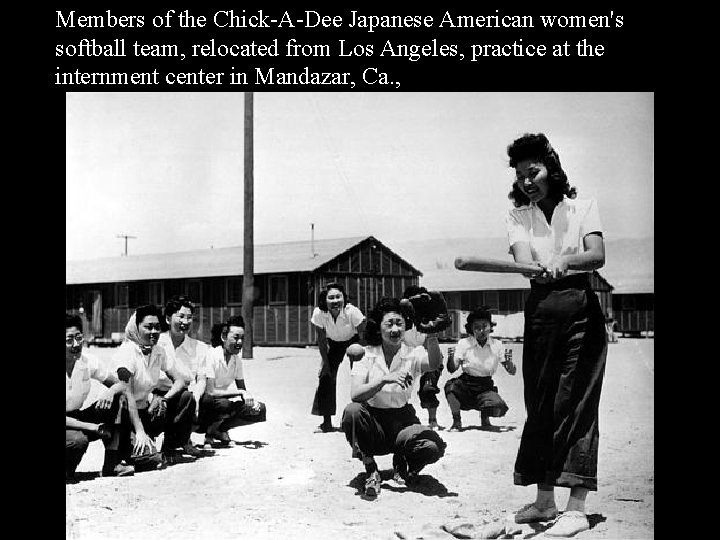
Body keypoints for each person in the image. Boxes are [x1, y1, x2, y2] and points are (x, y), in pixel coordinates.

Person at [504, 133, 608, 537]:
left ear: (552, 169)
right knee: (542, 403)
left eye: (534, 172)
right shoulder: (517, 216)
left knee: (577, 402)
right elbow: (523, 262)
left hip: (581, 308)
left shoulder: (582, 207)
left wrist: (565, 260)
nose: (528, 181)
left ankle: (577, 506)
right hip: (541, 312)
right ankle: (545, 501)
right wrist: (539, 267)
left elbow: (596, 255)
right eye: (521, 175)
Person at [341, 297, 447, 498]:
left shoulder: (413, 353)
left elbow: (433, 364)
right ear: (378, 327)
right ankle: (371, 468)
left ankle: (403, 464)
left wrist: (432, 335)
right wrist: (384, 380)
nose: (395, 329)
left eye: (400, 323)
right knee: (352, 412)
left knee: (432, 447)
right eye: (389, 324)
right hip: (374, 423)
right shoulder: (366, 354)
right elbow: (355, 395)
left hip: (402, 420)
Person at [113, 304, 196, 465]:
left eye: (157, 328)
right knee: (148, 459)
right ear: (136, 328)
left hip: (146, 411)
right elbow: (127, 394)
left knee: (186, 397)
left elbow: (180, 380)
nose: (154, 332)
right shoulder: (127, 352)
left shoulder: (158, 351)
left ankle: (169, 447)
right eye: (148, 327)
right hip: (125, 417)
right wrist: (140, 431)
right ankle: (133, 445)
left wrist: (164, 399)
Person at [66, 314, 135, 480]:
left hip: (77, 416)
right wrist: (92, 427)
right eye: (69, 340)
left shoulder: (88, 361)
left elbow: (122, 384)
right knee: (78, 441)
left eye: (79, 338)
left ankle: (111, 464)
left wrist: (110, 392)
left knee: (119, 399)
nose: (76, 344)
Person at [154, 295, 212, 457]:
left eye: (189, 317)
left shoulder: (199, 347)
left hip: (185, 396)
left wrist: (197, 397)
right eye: (180, 316)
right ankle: (169, 440)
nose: (185, 322)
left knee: (203, 400)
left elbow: (201, 379)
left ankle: (179, 441)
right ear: (167, 319)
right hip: (158, 394)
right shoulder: (156, 343)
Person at [444, 306, 516, 432]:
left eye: (485, 326)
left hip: (485, 386)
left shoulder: (497, 345)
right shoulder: (464, 343)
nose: (481, 330)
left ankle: (485, 419)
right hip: (466, 384)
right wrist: (451, 359)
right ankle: (456, 422)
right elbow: (452, 368)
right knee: (450, 388)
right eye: (477, 327)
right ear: (471, 329)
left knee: (498, 407)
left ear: (490, 327)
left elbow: (512, 371)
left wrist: (510, 363)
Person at [198, 315, 267, 447]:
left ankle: (221, 430)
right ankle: (209, 432)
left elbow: (242, 389)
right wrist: (239, 393)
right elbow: (210, 391)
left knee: (259, 409)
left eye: (242, 338)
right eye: (236, 337)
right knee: (222, 404)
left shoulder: (236, 360)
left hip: (224, 402)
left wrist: (250, 398)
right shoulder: (211, 355)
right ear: (224, 337)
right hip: (206, 404)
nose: (240, 342)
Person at [310, 282, 367, 433]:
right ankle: (326, 423)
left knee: (362, 378)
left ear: (344, 298)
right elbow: (322, 341)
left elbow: (364, 335)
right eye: (331, 298)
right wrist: (325, 364)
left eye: (338, 297)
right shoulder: (319, 314)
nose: (335, 301)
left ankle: (365, 420)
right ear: (325, 300)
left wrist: (363, 358)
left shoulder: (352, 312)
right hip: (333, 344)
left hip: (353, 342)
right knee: (325, 377)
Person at [401, 285, 451, 431]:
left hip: (427, 355)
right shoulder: (402, 320)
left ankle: (433, 420)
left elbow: (431, 343)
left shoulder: (427, 318)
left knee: (428, 387)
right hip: (407, 356)